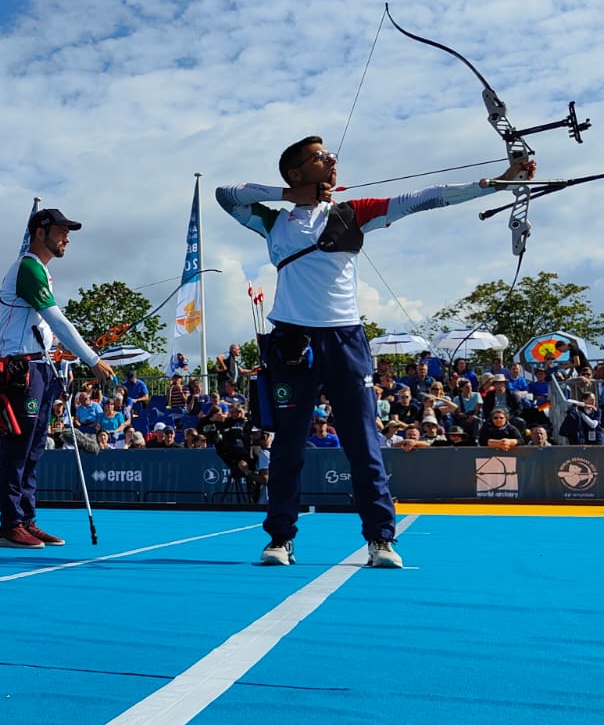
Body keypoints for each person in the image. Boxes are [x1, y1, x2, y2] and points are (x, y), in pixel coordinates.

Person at [218, 134, 532, 568]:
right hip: (292, 341)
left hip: (344, 339)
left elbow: (427, 198)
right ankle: (280, 539)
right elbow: (226, 195)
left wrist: (500, 182)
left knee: (363, 443)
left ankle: (381, 540)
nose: (331, 160)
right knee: (288, 445)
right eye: (319, 157)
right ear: (296, 172)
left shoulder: (351, 213)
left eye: (329, 155)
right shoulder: (274, 222)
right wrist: (291, 195)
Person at [0, 207, 113, 548]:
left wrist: (65, 363)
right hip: (20, 369)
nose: (67, 238)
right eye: (61, 231)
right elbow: (58, 321)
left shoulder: (40, 271)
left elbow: (48, 331)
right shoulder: (28, 267)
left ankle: (26, 520)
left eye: (67, 232)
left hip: (39, 368)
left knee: (33, 451)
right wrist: (92, 359)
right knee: (18, 450)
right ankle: (9, 525)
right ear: (39, 232)